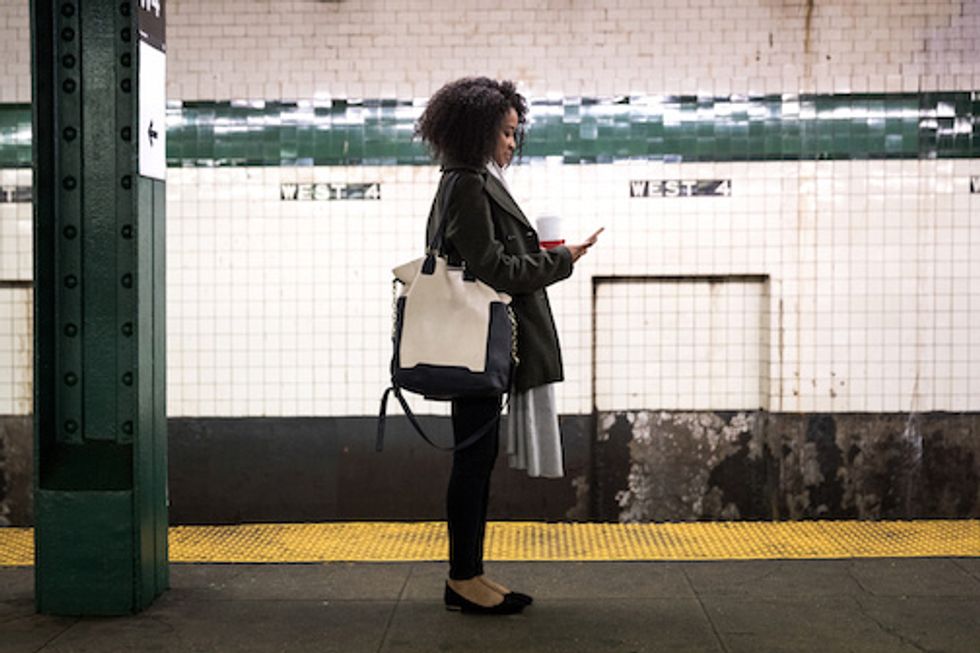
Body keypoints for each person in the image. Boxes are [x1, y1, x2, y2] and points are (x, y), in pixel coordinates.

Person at [416, 77, 601, 615]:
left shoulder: (469, 179)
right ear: (480, 132)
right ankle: (462, 579)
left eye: (515, 134)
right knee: (473, 461)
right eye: (506, 133)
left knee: (478, 458)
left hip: (476, 340)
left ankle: (469, 573)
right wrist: (563, 260)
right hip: (476, 342)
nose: (512, 144)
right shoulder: (469, 183)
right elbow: (493, 267)